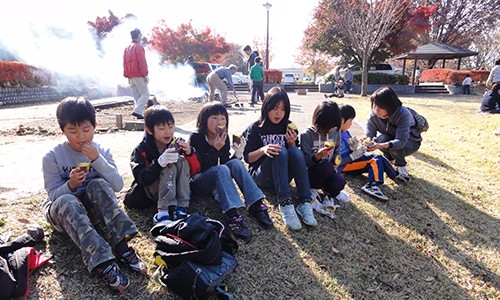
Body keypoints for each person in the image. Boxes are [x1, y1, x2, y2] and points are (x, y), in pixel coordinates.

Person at [42, 97, 147, 294]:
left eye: (86, 129)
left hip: (91, 212)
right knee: (67, 199)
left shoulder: (102, 151)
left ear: (95, 126)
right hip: (64, 215)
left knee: (98, 183)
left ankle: (122, 247)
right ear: (62, 130)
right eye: (72, 131)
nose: (81, 136)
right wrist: (71, 184)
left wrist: (97, 160)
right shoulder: (52, 157)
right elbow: (54, 195)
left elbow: (117, 185)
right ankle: (103, 263)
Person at [189, 102, 273, 242]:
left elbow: (225, 164)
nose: (219, 122)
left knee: (235, 163)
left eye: (223, 118)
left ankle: (256, 204)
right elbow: (198, 167)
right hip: (198, 181)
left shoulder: (223, 137)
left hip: (215, 177)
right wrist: (215, 149)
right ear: (204, 120)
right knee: (221, 169)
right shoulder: (196, 137)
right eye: (214, 118)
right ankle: (232, 214)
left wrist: (237, 154)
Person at [243, 86, 317, 231]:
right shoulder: (256, 127)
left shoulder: (289, 126)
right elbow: (247, 158)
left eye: (283, 109)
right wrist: (263, 150)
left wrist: (291, 144)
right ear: (266, 107)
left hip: (283, 176)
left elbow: (294, 158)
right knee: (279, 150)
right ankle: (285, 203)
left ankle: (305, 201)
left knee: (295, 152)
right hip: (261, 175)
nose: (278, 113)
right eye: (275, 108)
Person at [130, 105, 200, 223]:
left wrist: (189, 153)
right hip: (152, 190)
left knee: (181, 160)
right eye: (162, 128)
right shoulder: (141, 149)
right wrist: (158, 163)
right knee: (169, 164)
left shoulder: (178, 144)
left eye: (171, 126)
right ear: (149, 130)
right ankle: (163, 211)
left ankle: (181, 207)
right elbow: (141, 178)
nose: (168, 132)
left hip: (175, 189)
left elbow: (195, 171)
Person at [337, 104, 397, 202]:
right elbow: (336, 160)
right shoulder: (334, 135)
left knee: (379, 158)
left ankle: (395, 174)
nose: (351, 124)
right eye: (350, 121)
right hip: (345, 165)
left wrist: (355, 147)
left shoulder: (345, 132)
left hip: (353, 159)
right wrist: (353, 155)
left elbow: (351, 148)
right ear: (342, 120)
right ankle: (372, 185)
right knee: (374, 160)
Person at [365, 87, 422, 182]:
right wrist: (366, 141)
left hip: (410, 142)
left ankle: (401, 168)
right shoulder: (372, 117)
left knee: (392, 144)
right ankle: (389, 161)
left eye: (380, 107)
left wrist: (381, 145)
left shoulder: (403, 114)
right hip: (390, 139)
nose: (376, 110)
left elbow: (401, 141)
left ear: (389, 106)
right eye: (374, 105)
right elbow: (369, 135)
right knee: (381, 139)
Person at [299, 100, 350, 205]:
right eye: (328, 127)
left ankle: (329, 191)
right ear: (318, 122)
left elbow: (337, 151)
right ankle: (312, 189)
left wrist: (336, 161)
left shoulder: (336, 132)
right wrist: (318, 156)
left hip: (329, 170)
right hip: (312, 173)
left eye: (333, 127)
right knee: (326, 166)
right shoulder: (307, 135)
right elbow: (305, 162)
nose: (330, 130)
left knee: (340, 182)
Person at [123, 28, 149, 120]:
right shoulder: (139, 47)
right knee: (145, 94)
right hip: (138, 74)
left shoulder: (127, 48)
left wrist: (126, 74)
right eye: (140, 35)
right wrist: (145, 74)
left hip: (130, 76)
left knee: (136, 96)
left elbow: (124, 62)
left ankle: (139, 113)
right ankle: (137, 110)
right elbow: (142, 62)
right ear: (138, 36)